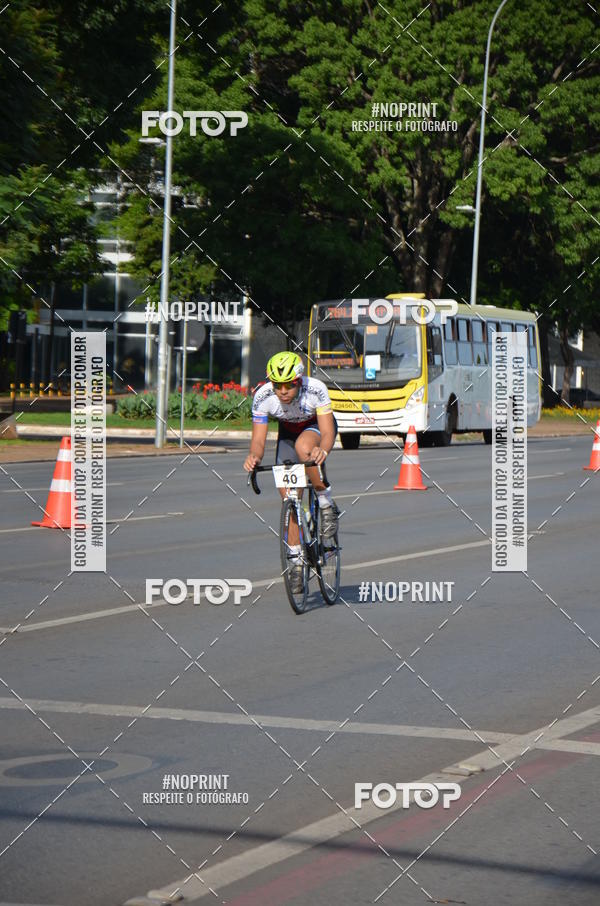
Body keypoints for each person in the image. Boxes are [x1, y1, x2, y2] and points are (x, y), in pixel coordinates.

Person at [243, 351, 339, 592]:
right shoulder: (263, 396)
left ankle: (325, 501)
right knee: (289, 499)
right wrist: (254, 456)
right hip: (288, 433)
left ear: (299, 381)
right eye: (278, 385)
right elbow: (258, 441)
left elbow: (327, 432)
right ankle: (296, 563)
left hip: (315, 427)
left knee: (304, 448)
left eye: (289, 385)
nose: (283, 391)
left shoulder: (315, 389)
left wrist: (323, 451)